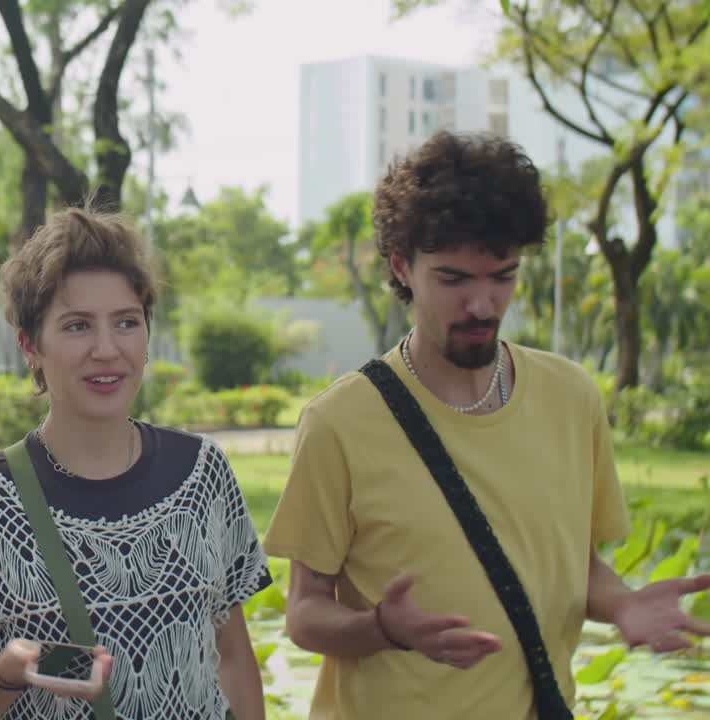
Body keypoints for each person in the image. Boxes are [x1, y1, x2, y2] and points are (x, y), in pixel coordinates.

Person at [264, 130, 710, 719]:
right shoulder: (339, 422)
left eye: (502, 275)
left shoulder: (572, 396)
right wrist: (382, 627)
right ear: (403, 265)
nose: (483, 304)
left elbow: (575, 567)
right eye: (454, 279)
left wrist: (622, 604)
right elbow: (305, 612)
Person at [0, 207, 271, 720]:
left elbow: (232, 658)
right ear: (31, 345)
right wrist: (3, 676)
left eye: (126, 322)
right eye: (77, 326)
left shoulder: (202, 472)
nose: (107, 349)